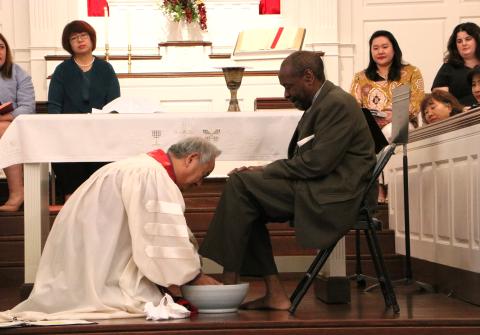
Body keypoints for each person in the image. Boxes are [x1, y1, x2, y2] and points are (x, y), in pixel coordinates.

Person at [199, 51, 376, 310]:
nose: (286, 95)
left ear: (308, 76)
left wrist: (266, 171)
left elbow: (317, 163)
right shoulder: (322, 102)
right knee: (246, 195)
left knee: (240, 185)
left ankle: (229, 283)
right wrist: (262, 171)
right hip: (322, 185)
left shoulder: (337, 103)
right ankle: (267, 292)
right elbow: (312, 161)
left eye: (288, 86)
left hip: (336, 194)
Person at [0, 137, 221, 321]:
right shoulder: (151, 174)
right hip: (102, 268)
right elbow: (160, 239)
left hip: (88, 252)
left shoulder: (139, 167)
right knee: (140, 302)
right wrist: (192, 276)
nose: (201, 183)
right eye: (205, 174)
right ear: (191, 159)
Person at [48, 20, 120, 201]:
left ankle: (102, 202)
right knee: (66, 157)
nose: (80, 40)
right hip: (70, 134)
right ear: (68, 44)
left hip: (100, 134)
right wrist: (61, 129)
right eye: (74, 38)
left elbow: (114, 105)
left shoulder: (106, 68)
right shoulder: (62, 70)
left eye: (83, 36)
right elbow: (54, 105)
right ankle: (71, 200)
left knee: (108, 158)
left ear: (91, 39)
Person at [350, 30, 425, 134]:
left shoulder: (411, 72)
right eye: (375, 48)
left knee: (391, 131)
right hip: (370, 127)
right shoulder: (360, 77)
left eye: (385, 47)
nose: (380, 51)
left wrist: (393, 117)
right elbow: (354, 106)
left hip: (401, 124)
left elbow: (417, 102)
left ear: (394, 49)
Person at [0, 33, 35, 212]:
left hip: (14, 128)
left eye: (1, 47)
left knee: (3, 129)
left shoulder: (18, 74)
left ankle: (17, 192)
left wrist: (5, 116)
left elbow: (28, 107)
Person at [432, 22, 480, 106]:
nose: (464, 44)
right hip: (460, 115)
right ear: (455, 45)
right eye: (459, 41)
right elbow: (439, 100)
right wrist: (460, 109)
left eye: (468, 39)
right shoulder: (448, 68)